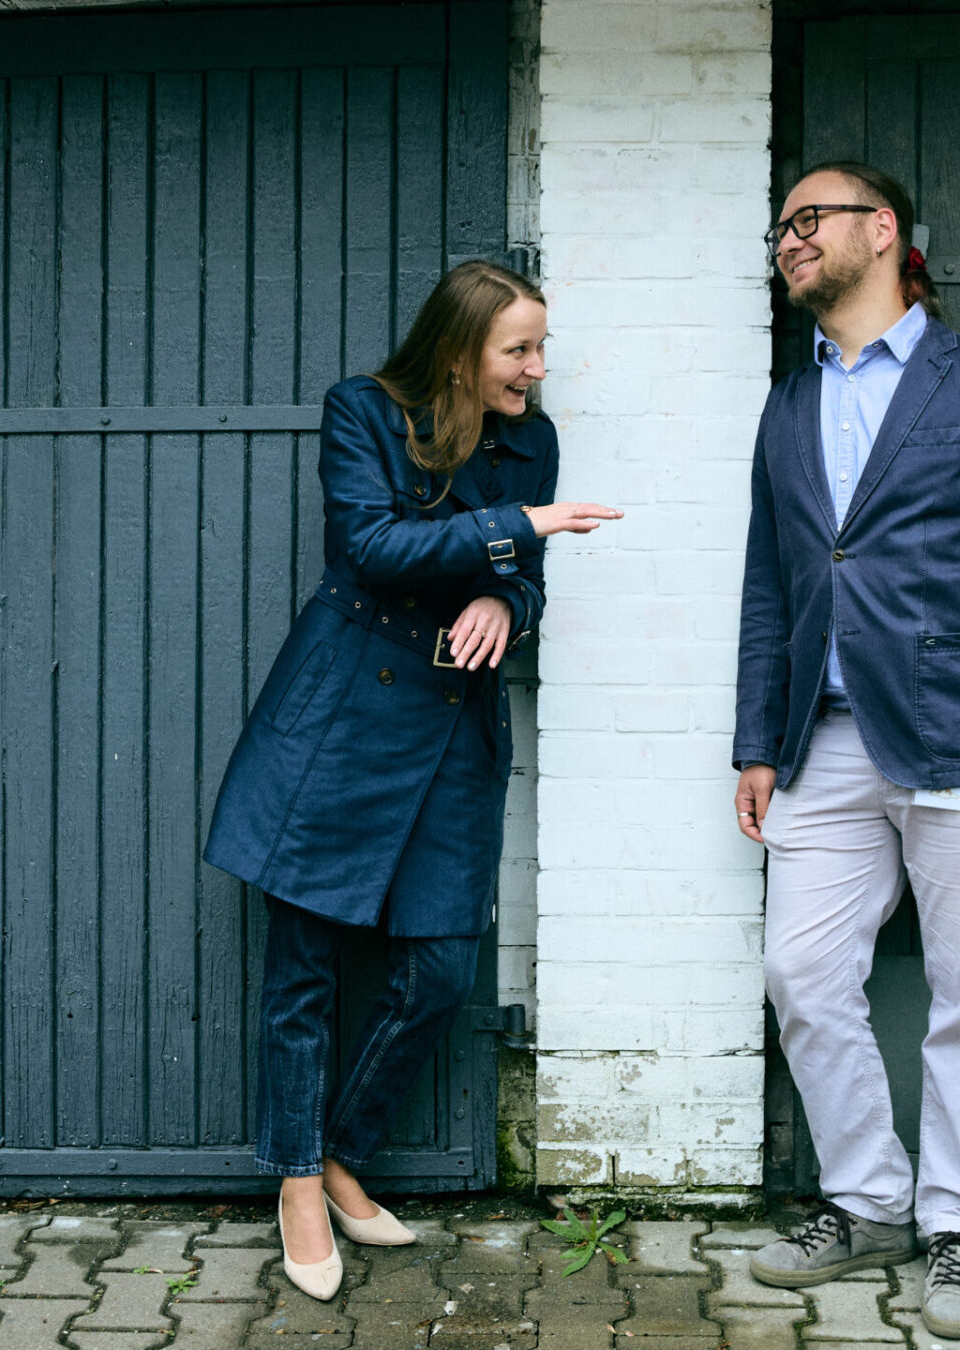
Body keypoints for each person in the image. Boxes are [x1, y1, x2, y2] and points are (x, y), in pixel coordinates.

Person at [204, 260, 619, 1301]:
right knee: (303, 971)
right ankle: (299, 1182)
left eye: (540, 348)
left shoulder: (532, 440)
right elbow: (374, 546)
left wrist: (504, 603)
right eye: (517, 349)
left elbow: (527, 583)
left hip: (453, 721)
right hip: (344, 712)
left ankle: (341, 1152)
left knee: (438, 971)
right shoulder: (363, 412)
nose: (536, 368)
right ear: (460, 352)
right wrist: (517, 531)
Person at [733, 162, 960, 1338]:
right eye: (782, 227)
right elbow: (772, 583)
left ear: (880, 231)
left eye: (810, 219)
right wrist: (757, 740)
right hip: (825, 742)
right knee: (801, 976)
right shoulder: (789, 403)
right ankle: (868, 1199)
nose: (790, 240)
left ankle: (955, 1230)